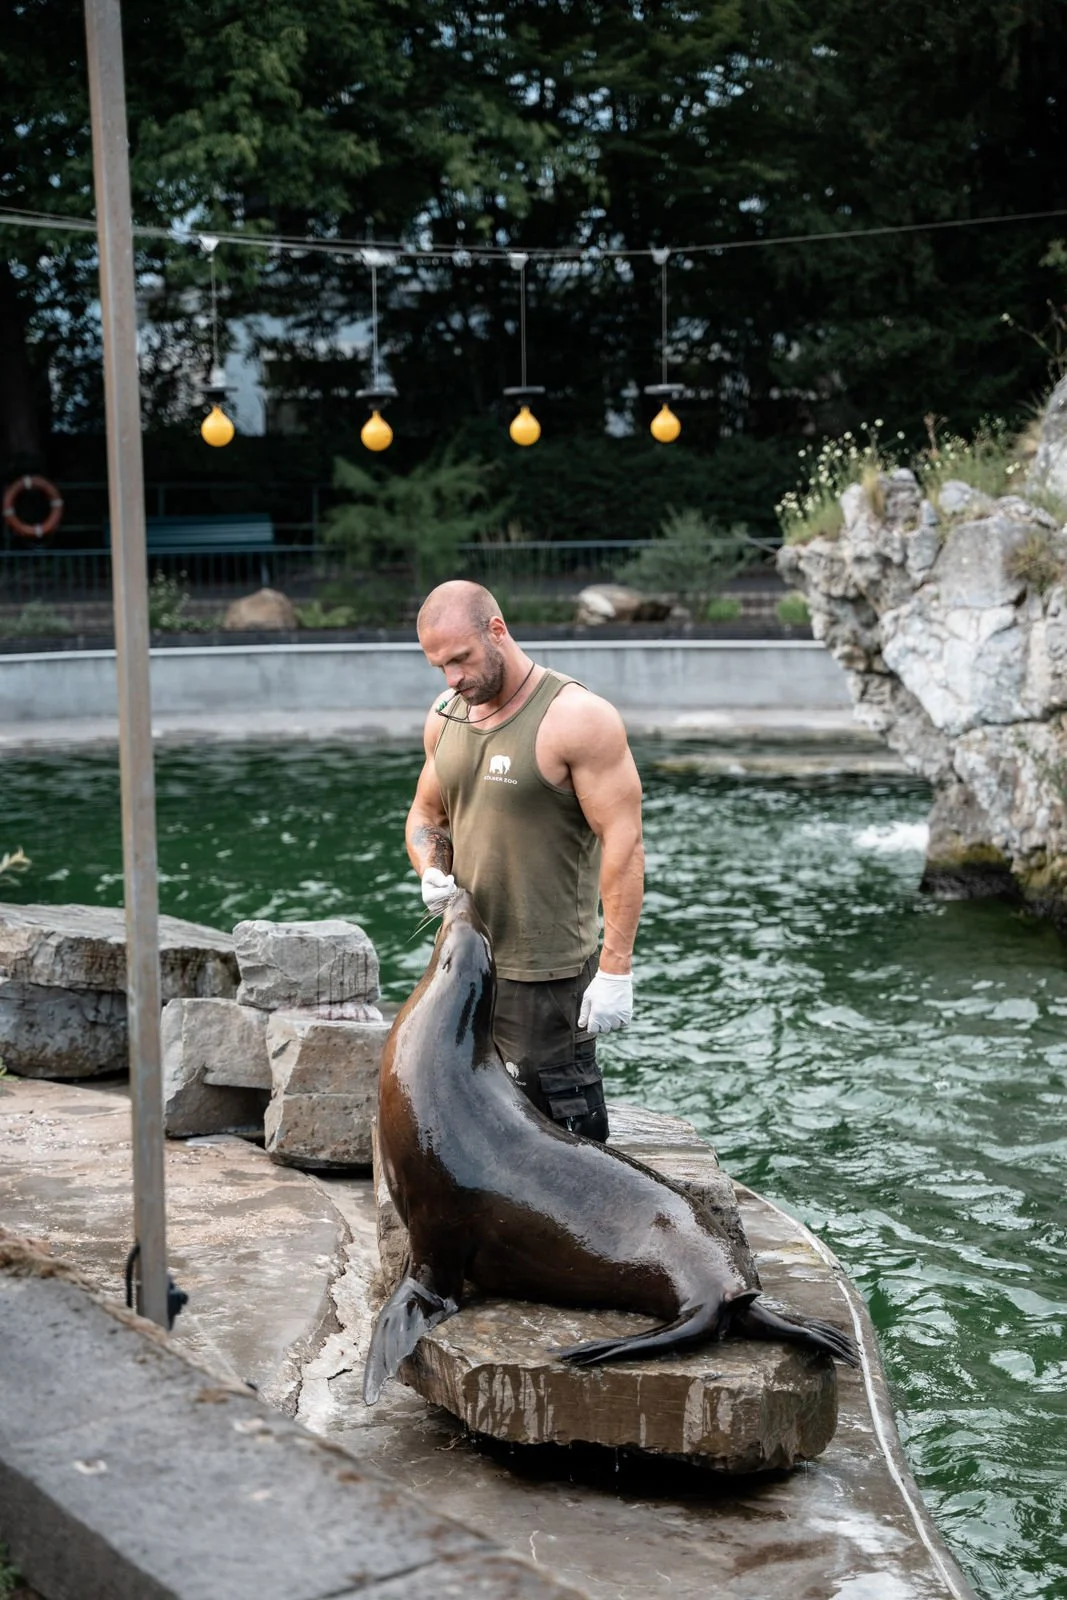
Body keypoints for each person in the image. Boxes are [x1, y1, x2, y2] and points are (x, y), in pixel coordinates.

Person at [406, 579, 644, 1143]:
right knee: (474, 1132)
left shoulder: (578, 718)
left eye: (460, 660)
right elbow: (424, 815)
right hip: (464, 965)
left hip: (547, 977)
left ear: (497, 630)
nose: (453, 678)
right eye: (440, 666)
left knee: (562, 1146)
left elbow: (625, 844)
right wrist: (430, 870)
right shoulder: (446, 715)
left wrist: (615, 968)